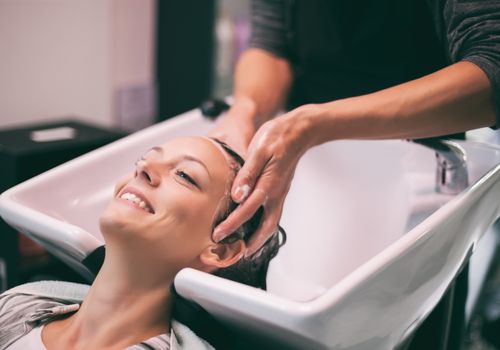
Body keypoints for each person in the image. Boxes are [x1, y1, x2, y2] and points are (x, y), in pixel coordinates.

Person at [210, 0, 500, 256]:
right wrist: (245, 110)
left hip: (416, 175)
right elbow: (272, 43)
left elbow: (491, 70)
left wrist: (312, 126)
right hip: (314, 171)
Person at [0, 136, 285, 350]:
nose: (144, 169)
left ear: (219, 250)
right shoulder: (19, 306)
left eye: (185, 175)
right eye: (143, 160)